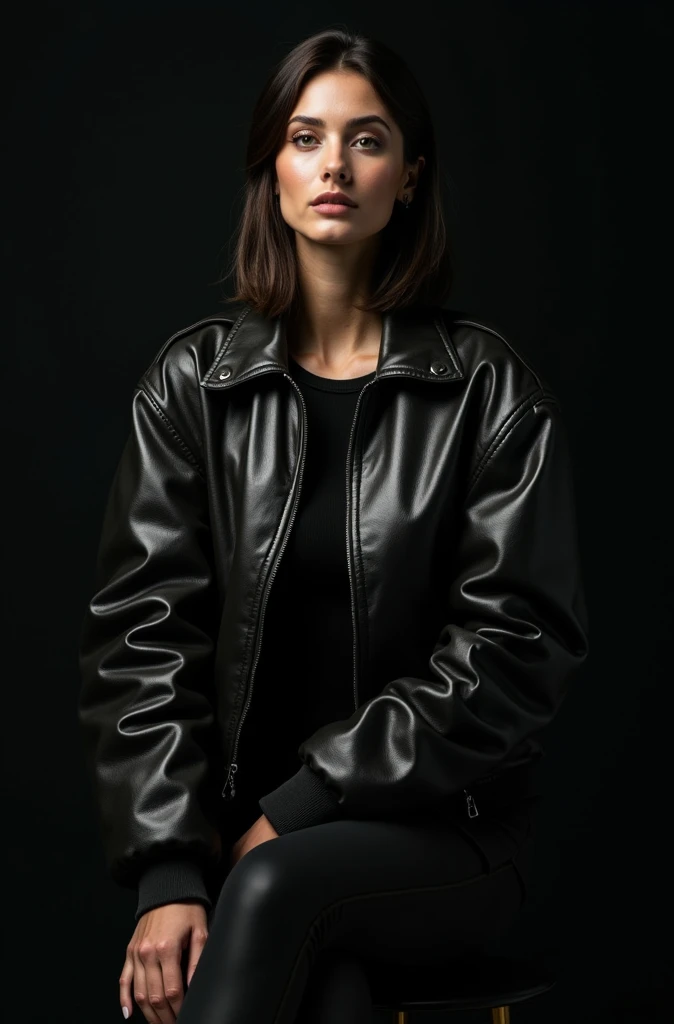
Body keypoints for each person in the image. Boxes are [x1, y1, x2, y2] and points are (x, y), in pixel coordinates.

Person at [77, 26, 590, 1024]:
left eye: (367, 140)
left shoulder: (487, 390)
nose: (335, 166)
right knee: (331, 993)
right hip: (243, 838)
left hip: (448, 830)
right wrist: (171, 871)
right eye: (307, 137)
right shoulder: (194, 385)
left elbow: (514, 649)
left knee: (280, 891)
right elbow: (140, 638)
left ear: (407, 176)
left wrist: (298, 807)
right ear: (271, 168)